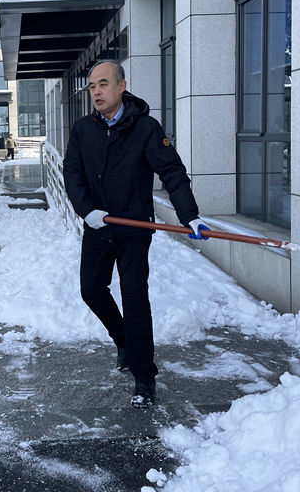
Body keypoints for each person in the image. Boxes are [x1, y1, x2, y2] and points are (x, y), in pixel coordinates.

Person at [63, 59, 210, 408]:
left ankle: (144, 376)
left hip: (133, 229)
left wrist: (189, 216)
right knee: (91, 290)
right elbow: (72, 173)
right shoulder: (83, 129)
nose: (96, 92)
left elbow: (172, 171)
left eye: (103, 84)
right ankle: (124, 342)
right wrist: (87, 211)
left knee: (134, 297)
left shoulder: (145, 128)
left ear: (121, 86)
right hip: (98, 226)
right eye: (92, 86)